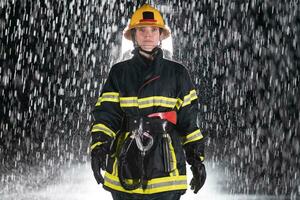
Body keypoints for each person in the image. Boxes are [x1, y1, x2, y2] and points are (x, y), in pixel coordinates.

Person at [90, 4, 206, 200]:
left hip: (166, 163)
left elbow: (188, 121)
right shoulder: (119, 73)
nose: (148, 35)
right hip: (126, 159)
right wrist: (99, 148)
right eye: (142, 30)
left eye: (153, 30)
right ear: (134, 35)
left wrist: (196, 160)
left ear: (161, 35)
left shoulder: (178, 73)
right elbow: (107, 115)